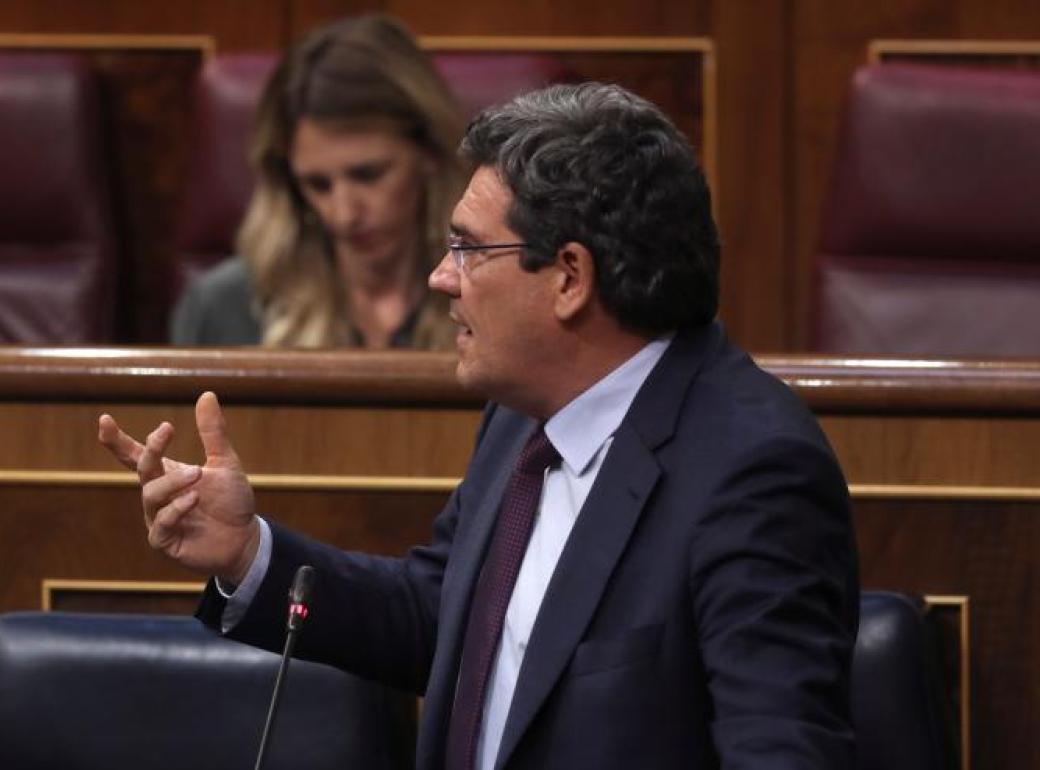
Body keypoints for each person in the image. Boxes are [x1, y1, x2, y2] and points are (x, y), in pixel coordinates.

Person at [101, 82, 859, 768]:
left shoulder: (754, 470)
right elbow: (446, 618)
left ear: (569, 277)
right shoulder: (522, 417)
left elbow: (781, 754)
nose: (440, 277)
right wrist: (247, 553)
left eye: (467, 248)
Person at [171, 14, 465, 349]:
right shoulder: (223, 306)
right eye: (318, 184)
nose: (344, 215)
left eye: (368, 175)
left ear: (429, 154)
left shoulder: (487, 295)